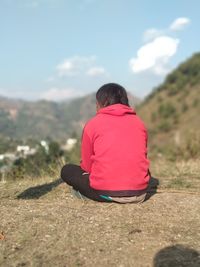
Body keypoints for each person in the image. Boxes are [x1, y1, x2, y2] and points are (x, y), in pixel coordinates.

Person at [61, 83, 150, 203]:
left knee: (67, 170)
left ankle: (86, 194)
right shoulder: (139, 123)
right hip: (140, 193)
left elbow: (87, 167)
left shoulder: (93, 124)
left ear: (100, 103)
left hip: (104, 192)